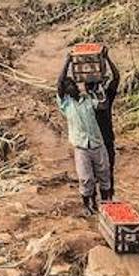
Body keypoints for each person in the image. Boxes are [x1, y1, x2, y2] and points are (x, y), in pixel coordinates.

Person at [56, 74, 111, 214]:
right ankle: (87, 205)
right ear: (66, 91)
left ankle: (105, 204)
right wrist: (68, 60)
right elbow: (59, 83)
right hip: (81, 147)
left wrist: (97, 90)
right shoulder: (66, 104)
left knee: (104, 174)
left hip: (97, 143)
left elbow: (103, 105)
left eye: (74, 85)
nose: (73, 88)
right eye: (69, 86)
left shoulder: (88, 100)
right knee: (86, 178)